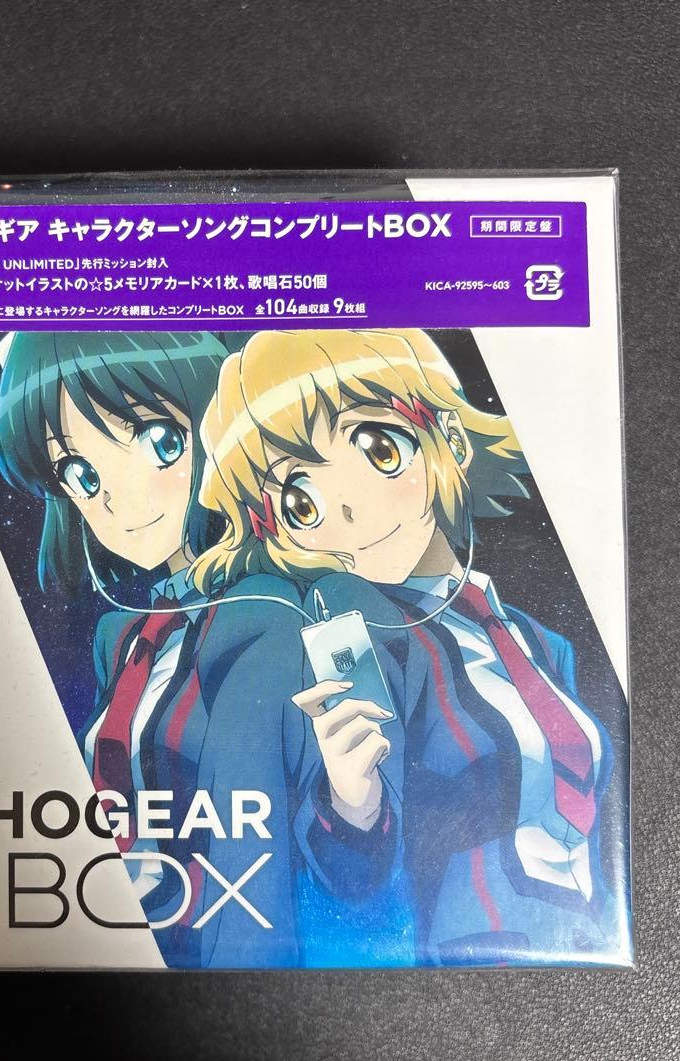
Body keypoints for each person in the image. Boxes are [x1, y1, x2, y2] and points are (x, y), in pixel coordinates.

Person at [192, 328, 617, 964]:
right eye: (301, 501)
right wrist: (352, 801)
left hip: (585, 947)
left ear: (450, 439)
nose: (349, 510)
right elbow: (354, 874)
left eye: (376, 448)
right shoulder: (352, 634)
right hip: (470, 962)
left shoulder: (540, 642)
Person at [0, 331, 325, 967]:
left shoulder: (262, 617)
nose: (118, 499)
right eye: (81, 474)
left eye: (158, 440)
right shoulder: (121, 638)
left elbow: (253, 858)